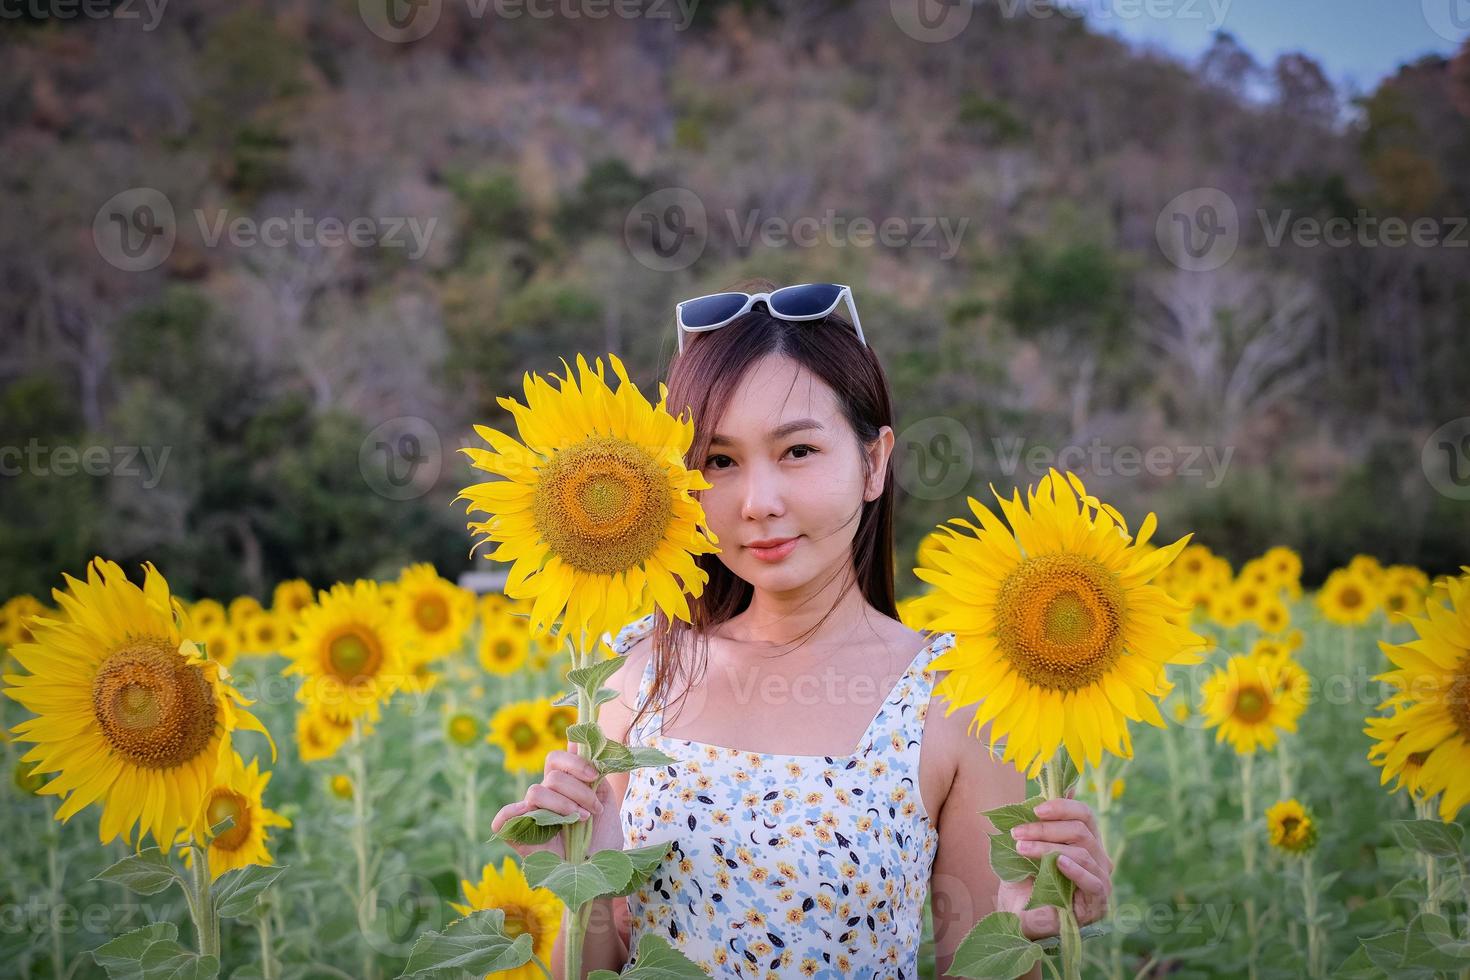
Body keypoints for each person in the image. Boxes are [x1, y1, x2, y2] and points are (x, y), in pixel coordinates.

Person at [490, 278, 1113, 978]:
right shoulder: (639, 677)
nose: (759, 502)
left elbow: (983, 965)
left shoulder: (955, 698)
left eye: (798, 452)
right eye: (719, 461)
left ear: (874, 462)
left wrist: (1030, 926)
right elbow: (596, 968)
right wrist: (592, 876)